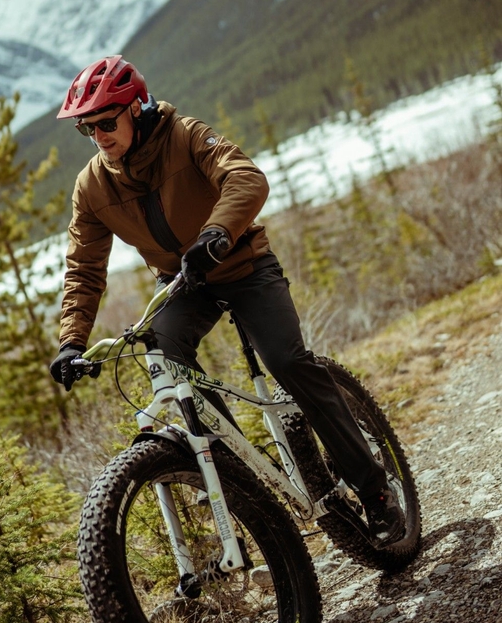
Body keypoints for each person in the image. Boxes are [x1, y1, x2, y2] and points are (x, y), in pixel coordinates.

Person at [49, 54, 405, 548]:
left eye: (106, 122)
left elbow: (246, 178)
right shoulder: (92, 184)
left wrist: (217, 233)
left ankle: (376, 490)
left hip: (242, 265)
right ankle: (240, 478)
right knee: (163, 351)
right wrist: (71, 341)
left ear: (136, 107)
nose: (99, 136)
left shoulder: (186, 135)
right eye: (87, 129)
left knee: (287, 361)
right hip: (184, 284)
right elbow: (84, 267)